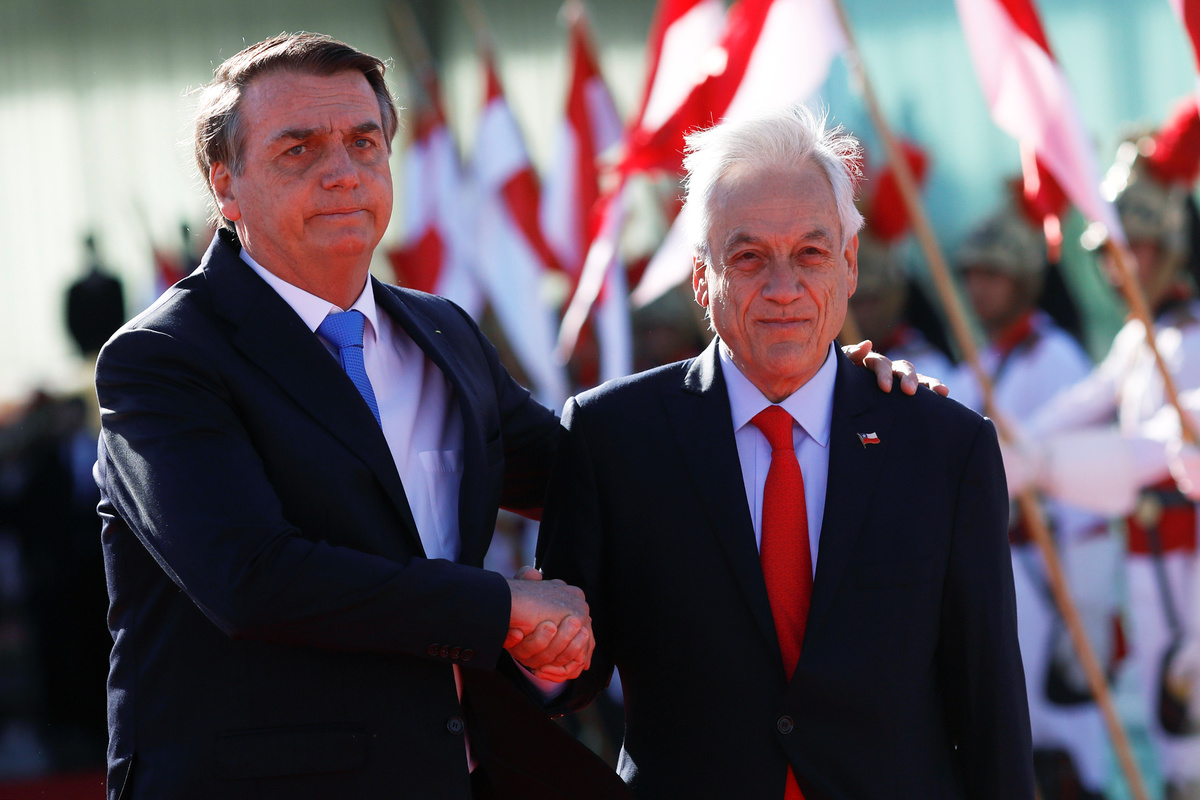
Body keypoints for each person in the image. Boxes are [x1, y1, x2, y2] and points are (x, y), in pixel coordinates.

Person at [93, 32, 627, 800]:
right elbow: (254, 577)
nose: (342, 172)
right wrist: (504, 607)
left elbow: (591, 476)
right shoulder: (163, 359)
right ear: (226, 187)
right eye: (299, 149)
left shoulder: (443, 332)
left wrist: (778, 388)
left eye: (364, 143)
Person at [528, 106, 1034, 799]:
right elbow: (569, 672)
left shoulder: (944, 446)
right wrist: (534, 646)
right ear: (701, 277)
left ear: (849, 265)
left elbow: (990, 706)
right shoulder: (611, 436)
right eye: (748, 257)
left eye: (810, 254)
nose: (784, 289)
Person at [1004, 99, 1200, 799]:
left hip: (1194, 558)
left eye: (1132, 250)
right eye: (1109, 255)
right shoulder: (1136, 341)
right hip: (1149, 556)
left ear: (1169, 246)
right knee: (1170, 747)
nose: (1118, 270)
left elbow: (1167, 446)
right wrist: (1005, 444)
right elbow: (1074, 410)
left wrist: (1041, 468)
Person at [951, 205, 1116, 799]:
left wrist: (1087, 611)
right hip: (993, 574)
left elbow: (1086, 503)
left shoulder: (1056, 358)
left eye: (992, 273)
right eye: (971, 273)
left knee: (1065, 738)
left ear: (1022, 278)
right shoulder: (975, 368)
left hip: (1048, 577)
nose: (978, 286)